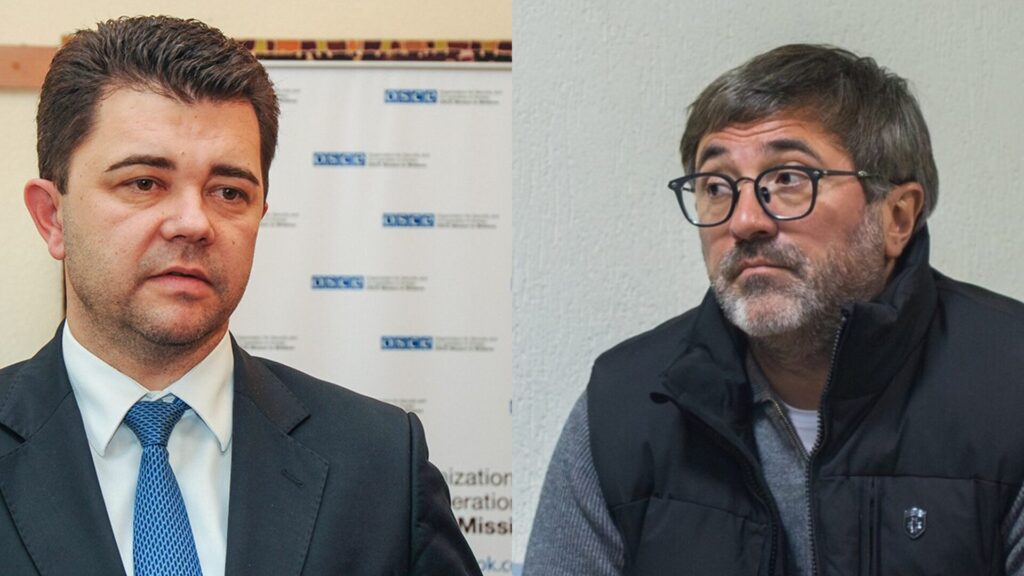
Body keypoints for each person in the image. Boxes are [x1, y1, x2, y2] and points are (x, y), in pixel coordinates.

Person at [0, 16, 480, 576]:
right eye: (144, 183)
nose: (192, 222)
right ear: (52, 217)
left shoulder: (382, 463)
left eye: (228, 192)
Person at [523, 44, 1024, 576]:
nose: (744, 221)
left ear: (897, 217)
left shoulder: (1010, 382)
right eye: (717, 186)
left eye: (788, 179)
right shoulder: (626, 405)